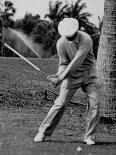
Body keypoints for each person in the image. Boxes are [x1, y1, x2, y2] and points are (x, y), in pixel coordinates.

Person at [34, 18, 100, 145]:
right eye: (67, 36)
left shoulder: (85, 39)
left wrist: (61, 77)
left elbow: (77, 61)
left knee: (95, 104)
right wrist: (59, 75)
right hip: (71, 77)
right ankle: (43, 132)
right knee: (60, 103)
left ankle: (89, 136)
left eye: (72, 35)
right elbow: (64, 63)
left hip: (89, 74)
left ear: (77, 31)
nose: (70, 38)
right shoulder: (61, 43)